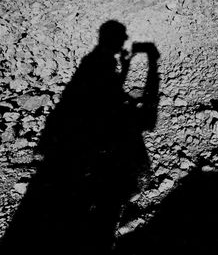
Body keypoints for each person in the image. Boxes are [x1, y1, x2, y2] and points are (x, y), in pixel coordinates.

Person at [0, 20, 160, 255]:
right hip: (96, 145)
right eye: (122, 36)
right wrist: (152, 63)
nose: (125, 39)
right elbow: (119, 103)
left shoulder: (94, 63)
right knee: (105, 205)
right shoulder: (100, 63)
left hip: (82, 146)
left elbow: (106, 94)